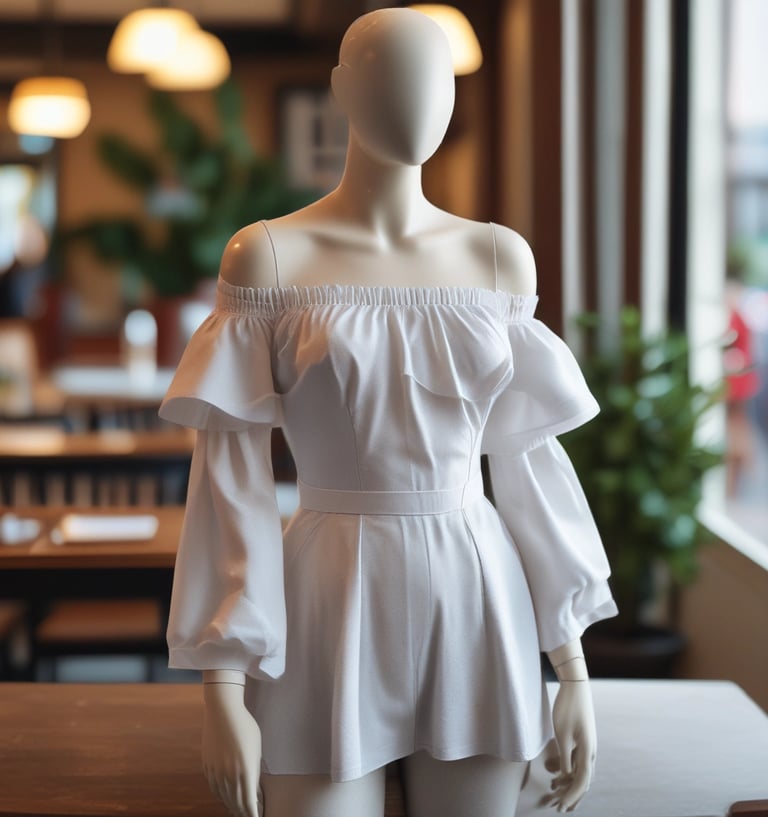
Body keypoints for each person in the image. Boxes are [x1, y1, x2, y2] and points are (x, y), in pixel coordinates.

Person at [159, 8, 617, 817]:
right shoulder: (267, 257)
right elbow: (230, 484)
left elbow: (531, 468)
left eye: (437, 78)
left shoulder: (497, 257)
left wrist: (571, 663)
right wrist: (221, 683)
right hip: (326, 592)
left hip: (476, 585)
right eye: (387, 75)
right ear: (340, 90)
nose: (419, 101)